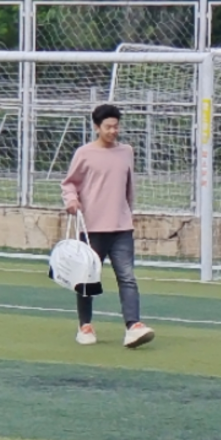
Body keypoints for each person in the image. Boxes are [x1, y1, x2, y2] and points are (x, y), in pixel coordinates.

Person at [61, 103, 155, 349]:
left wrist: (128, 213)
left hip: (121, 228)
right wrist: (71, 201)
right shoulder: (84, 153)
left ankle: (133, 326)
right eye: (108, 127)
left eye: (116, 126)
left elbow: (128, 187)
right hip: (91, 228)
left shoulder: (126, 152)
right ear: (97, 127)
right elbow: (69, 184)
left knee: (127, 277)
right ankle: (85, 326)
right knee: (87, 279)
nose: (113, 131)